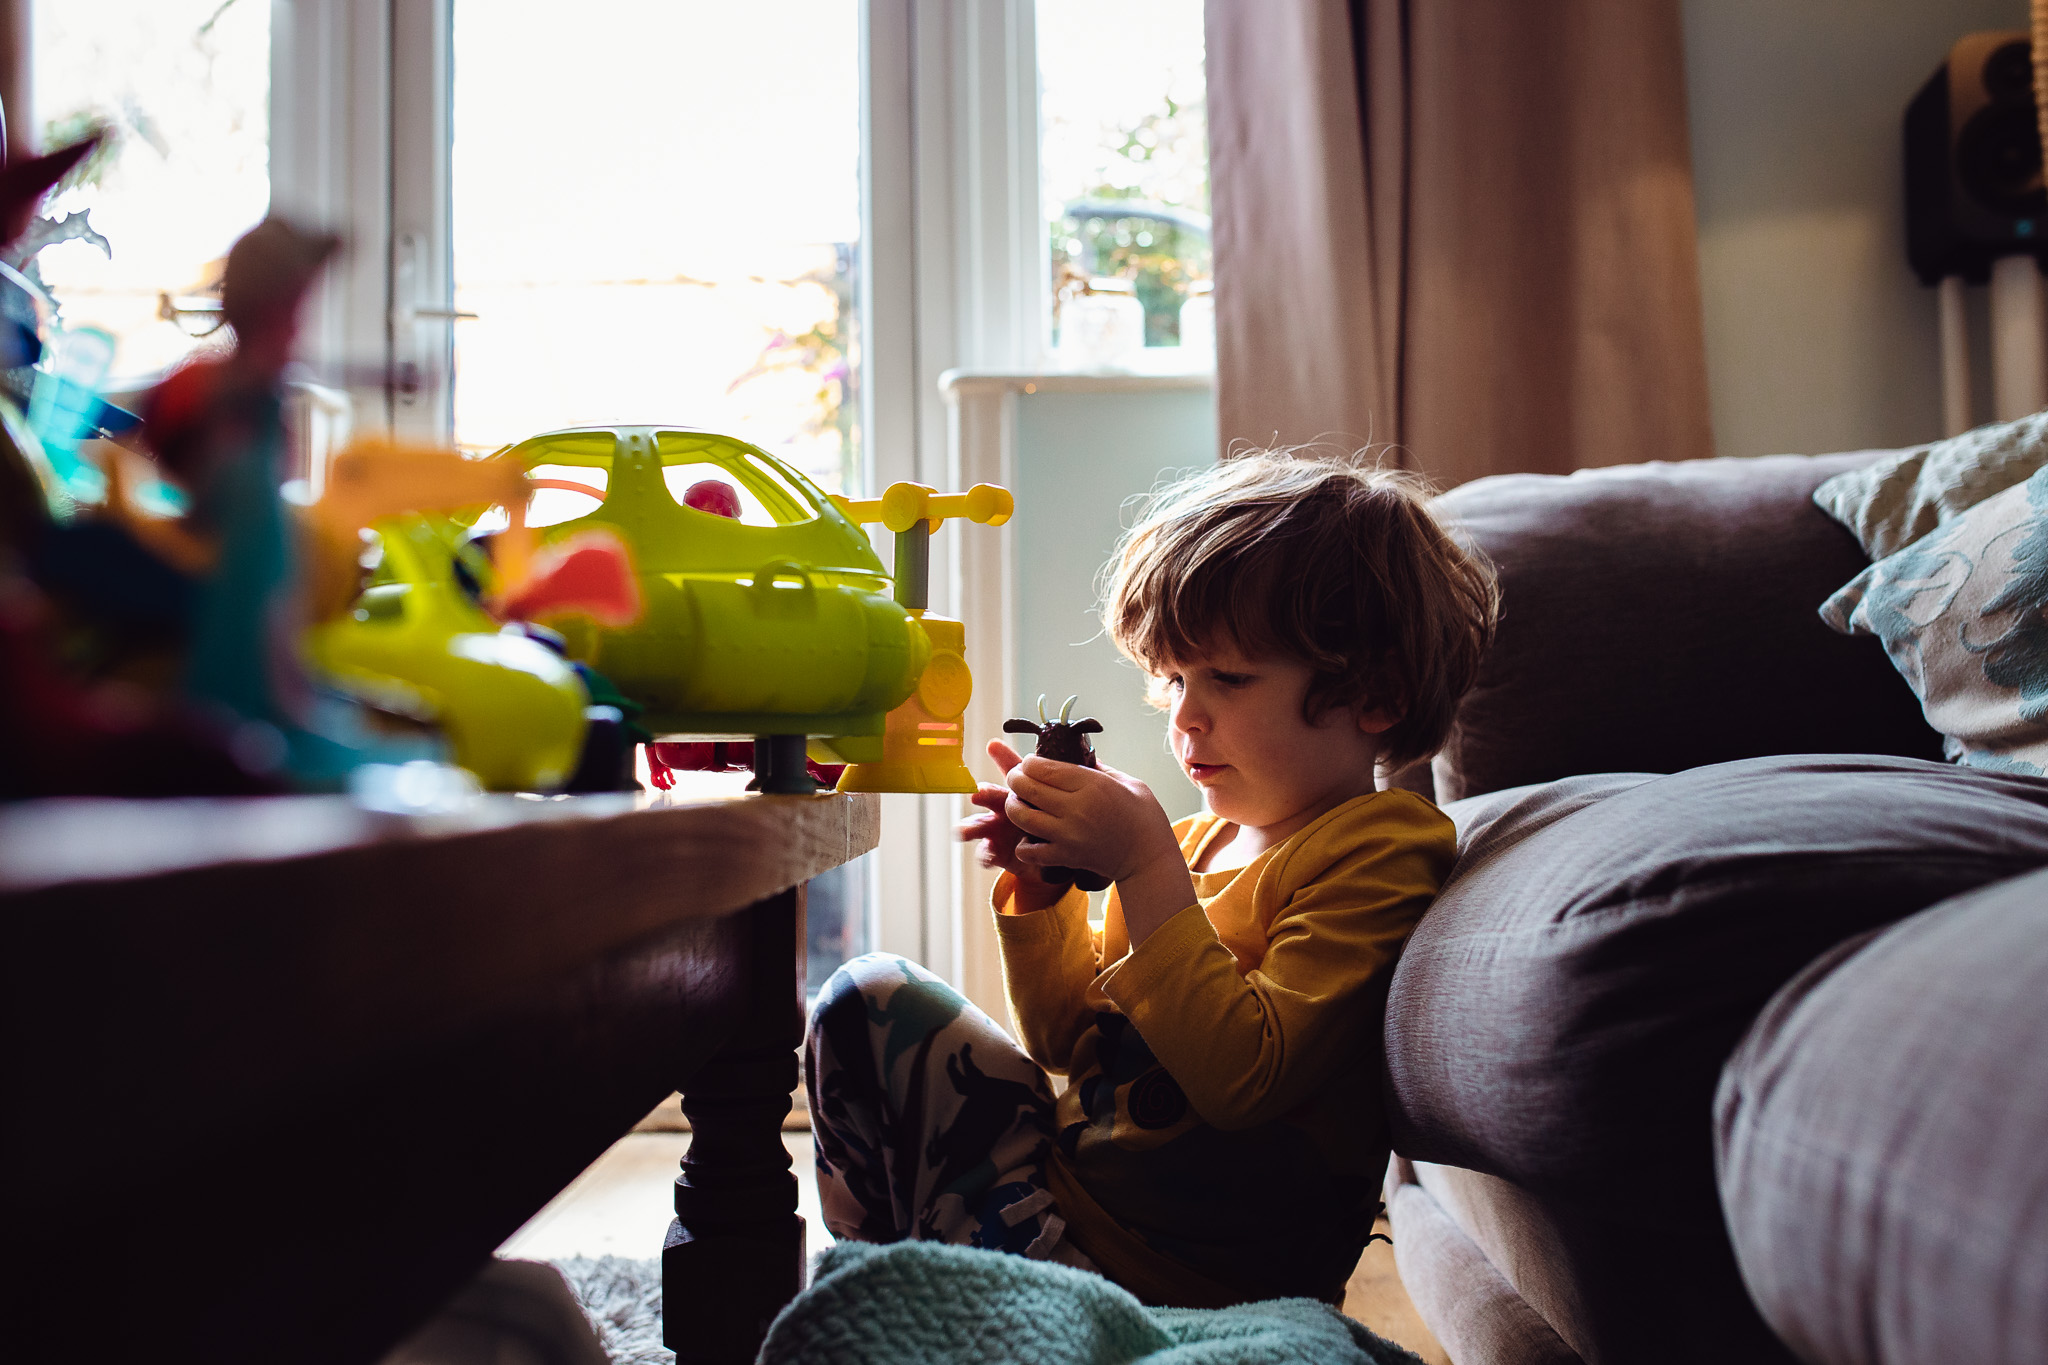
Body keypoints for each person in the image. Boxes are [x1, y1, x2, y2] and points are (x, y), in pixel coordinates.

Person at [804, 451, 1499, 1306]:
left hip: (1194, 1272)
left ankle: (925, 1291)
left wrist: (1141, 866)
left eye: (1229, 678)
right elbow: (1065, 1046)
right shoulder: (1195, 844)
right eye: (1172, 678)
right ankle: (885, 1280)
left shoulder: (1381, 849)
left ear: (1377, 696)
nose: (1184, 716)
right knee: (866, 996)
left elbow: (1245, 1079)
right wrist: (1045, 890)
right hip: (1066, 1208)